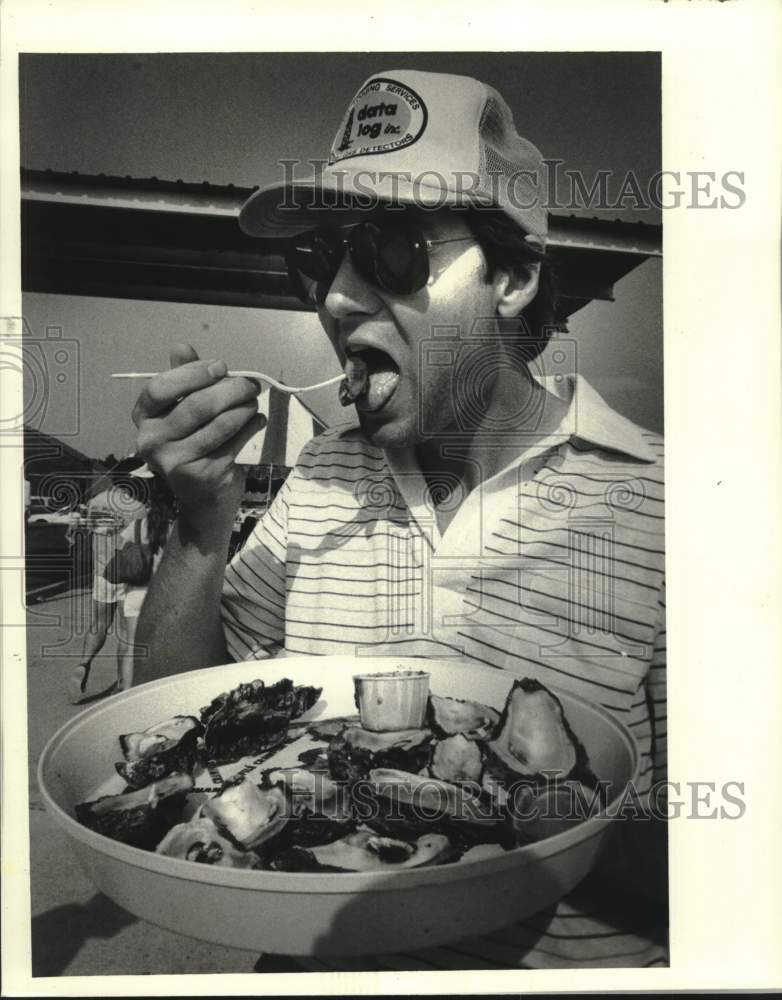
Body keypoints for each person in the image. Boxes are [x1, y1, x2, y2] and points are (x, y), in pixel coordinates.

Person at [132, 69, 666, 968]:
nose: (334, 300)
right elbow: (178, 731)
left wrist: (460, 802)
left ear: (516, 277)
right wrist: (197, 527)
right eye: (319, 257)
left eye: (390, 249)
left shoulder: (674, 504)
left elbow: (733, 871)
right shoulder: (322, 471)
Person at [70, 467, 175, 700]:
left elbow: (84, 532)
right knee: (126, 637)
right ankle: (122, 684)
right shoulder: (137, 508)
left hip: (105, 572)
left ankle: (84, 663)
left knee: (98, 624)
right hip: (134, 576)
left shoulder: (96, 500)